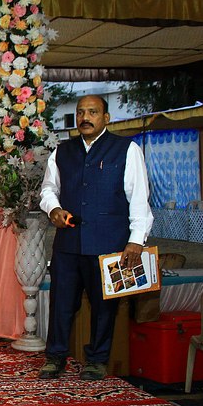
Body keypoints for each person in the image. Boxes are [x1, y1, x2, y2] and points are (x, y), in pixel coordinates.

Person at [38, 95, 153, 381]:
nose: (85, 118)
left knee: (104, 306)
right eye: (80, 112)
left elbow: (139, 198)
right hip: (68, 243)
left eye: (92, 112)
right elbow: (48, 189)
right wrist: (54, 209)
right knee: (61, 303)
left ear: (106, 118)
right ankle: (55, 357)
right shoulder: (62, 151)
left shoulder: (127, 149)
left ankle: (97, 360)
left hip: (108, 243)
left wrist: (136, 240)